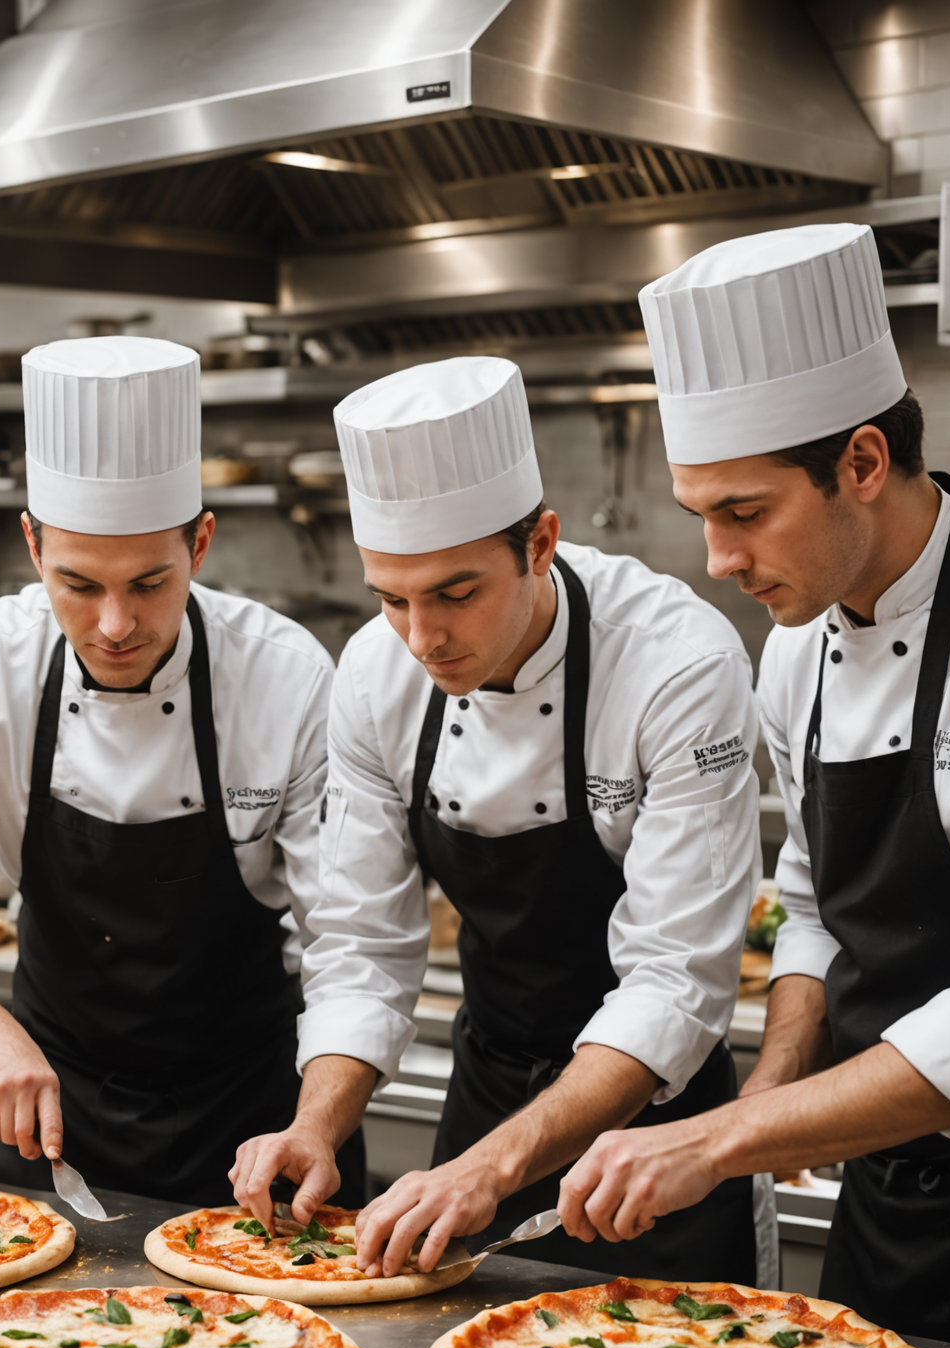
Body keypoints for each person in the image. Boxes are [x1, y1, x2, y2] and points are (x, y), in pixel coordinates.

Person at [556, 223, 950, 1348]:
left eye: (743, 513)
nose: (718, 561)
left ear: (863, 464)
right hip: (884, 1198)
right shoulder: (798, 643)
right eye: (702, 517)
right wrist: (784, 1072)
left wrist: (722, 1139)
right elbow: (817, 901)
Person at [0, 335, 374, 1205]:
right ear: (31, 543)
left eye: (149, 582)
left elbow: (353, 944)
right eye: (77, 583)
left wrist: (318, 1122)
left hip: (263, 1125)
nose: (113, 623)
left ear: (201, 542)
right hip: (51, 1119)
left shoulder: (284, 675)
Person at [231, 354, 766, 1283]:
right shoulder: (374, 671)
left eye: (456, 593)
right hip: (484, 1102)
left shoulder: (676, 663)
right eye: (392, 599)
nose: (422, 638)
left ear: (541, 542)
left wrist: (493, 1169)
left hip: (653, 1143)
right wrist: (316, 1122)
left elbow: (676, 979)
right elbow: (362, 940)